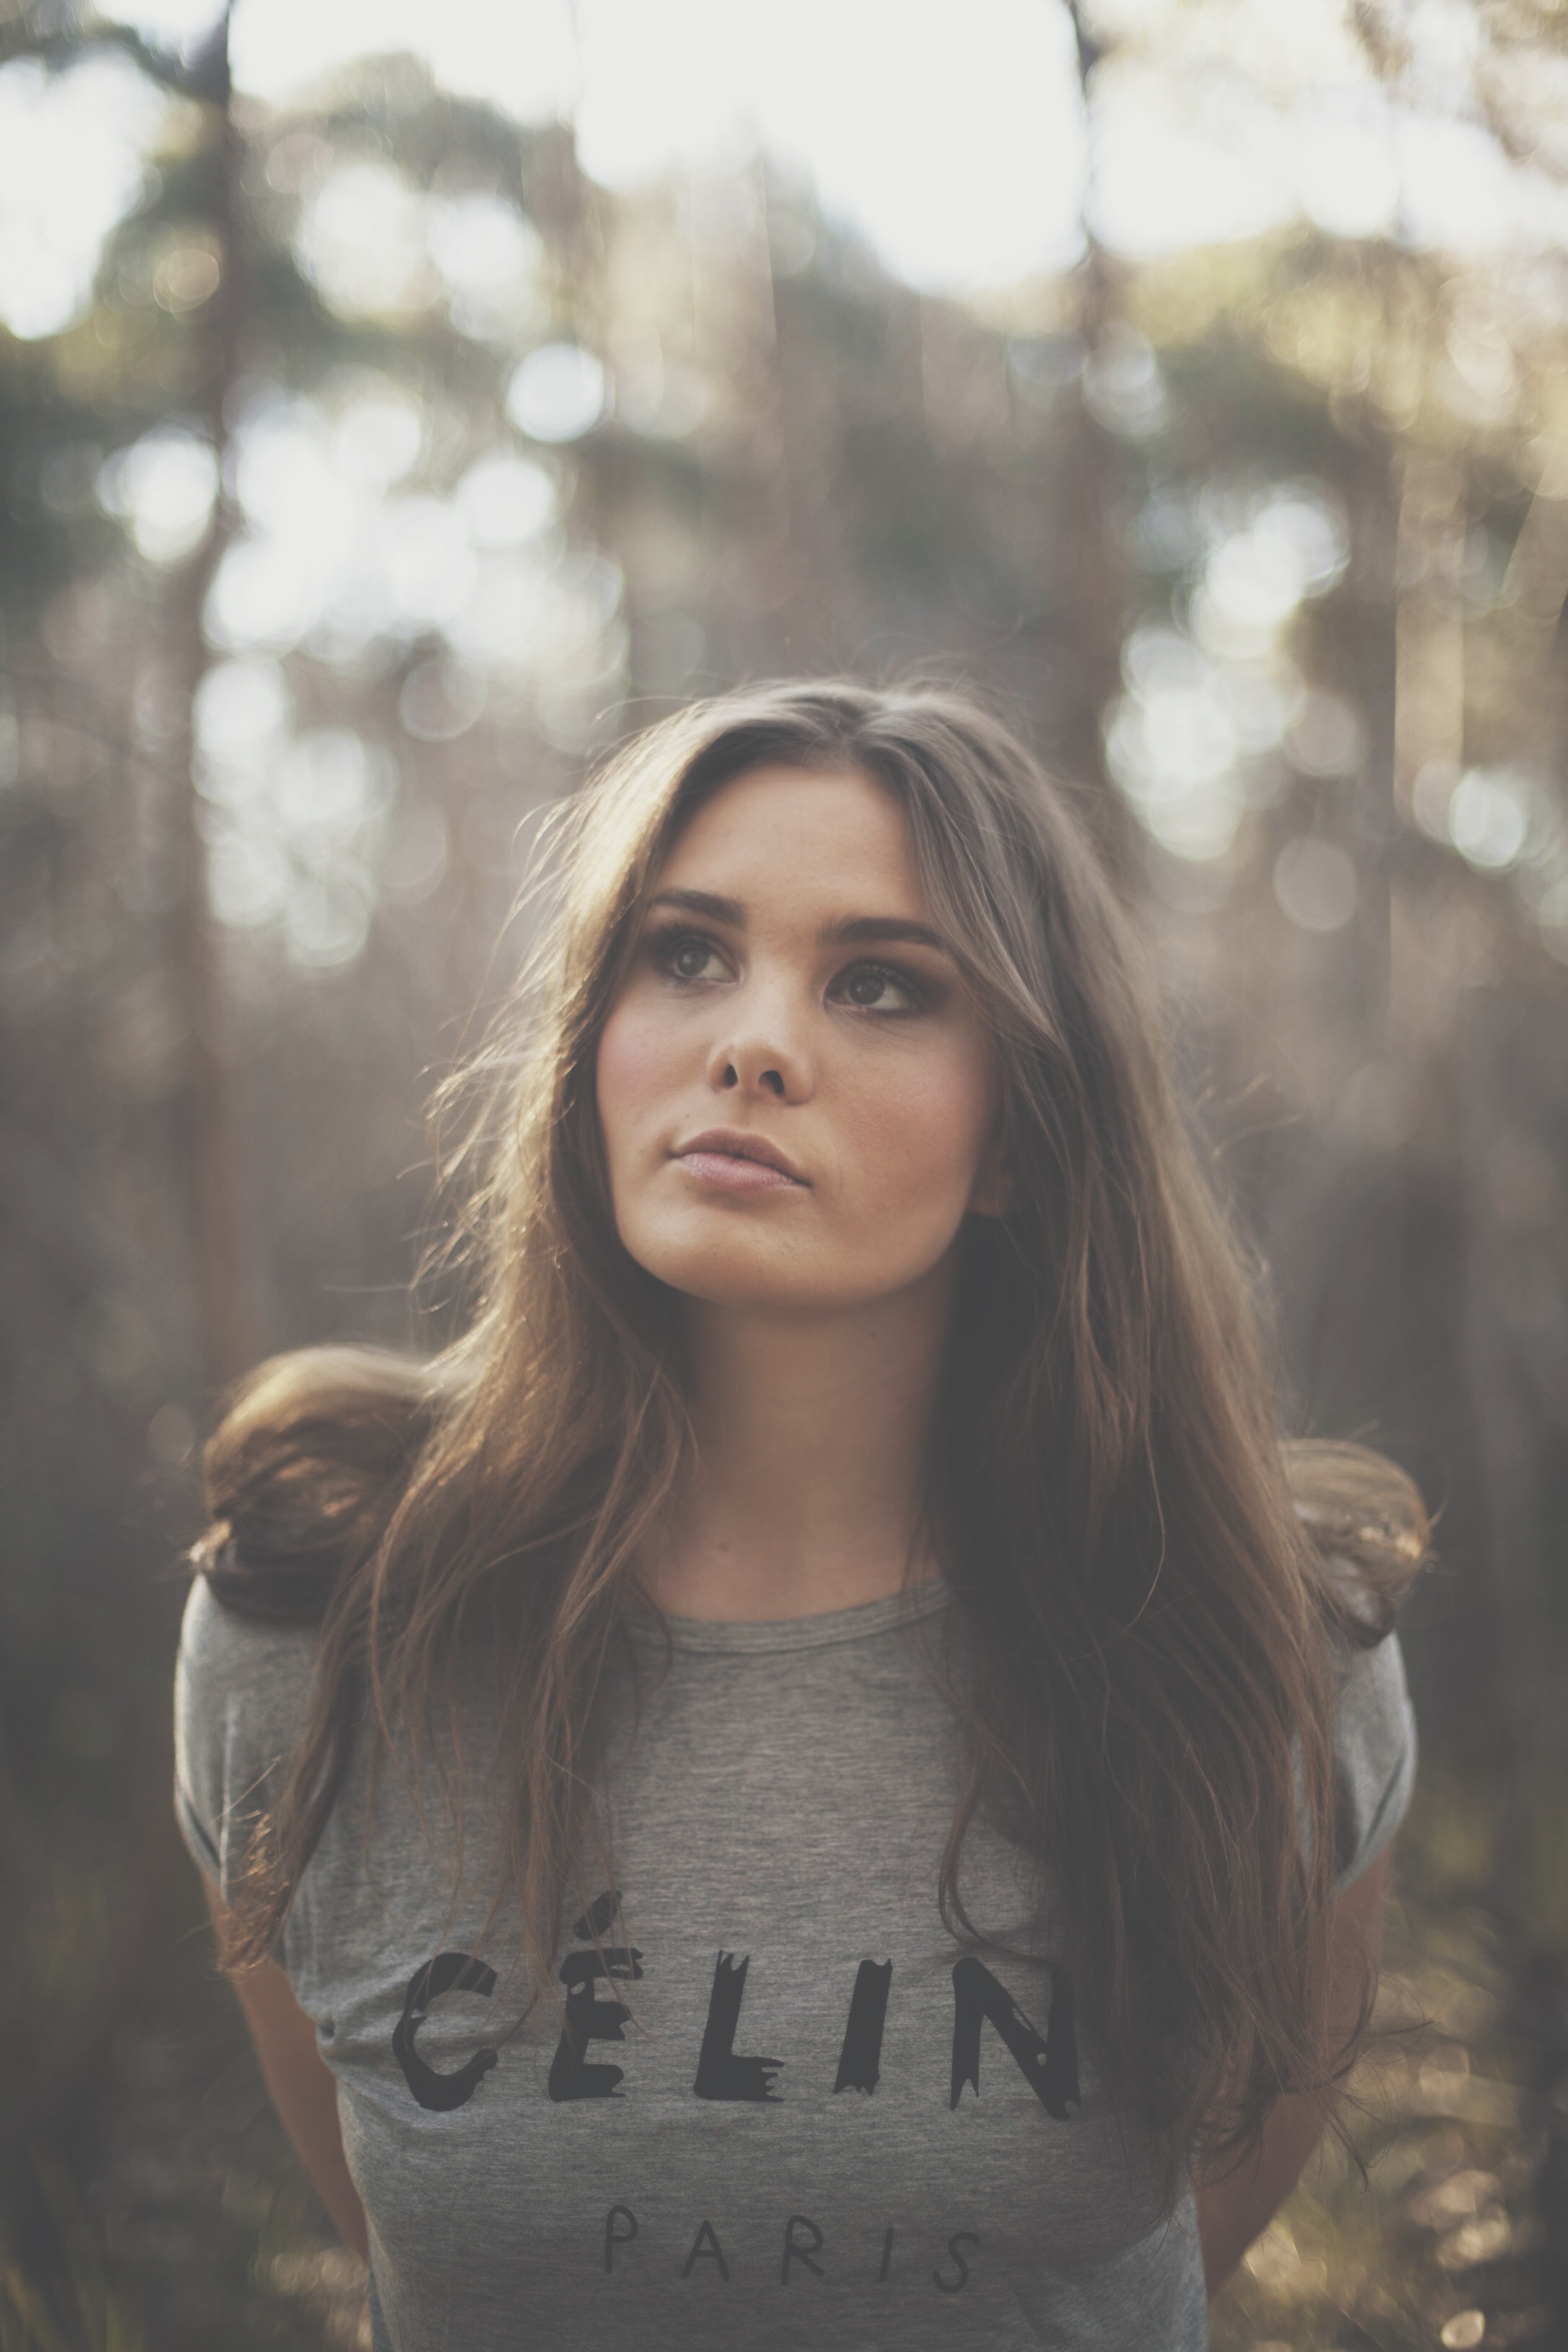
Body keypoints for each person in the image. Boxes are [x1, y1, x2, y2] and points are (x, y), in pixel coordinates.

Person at [174, 681, 1423, 2351]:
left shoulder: (1258, 1640)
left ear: (1019, 1141)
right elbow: (402, 2236)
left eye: (881, 986)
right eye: (683, 954)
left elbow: (1164, 2250)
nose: (750, 1040)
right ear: (587, 1047)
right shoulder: (313, 1615)